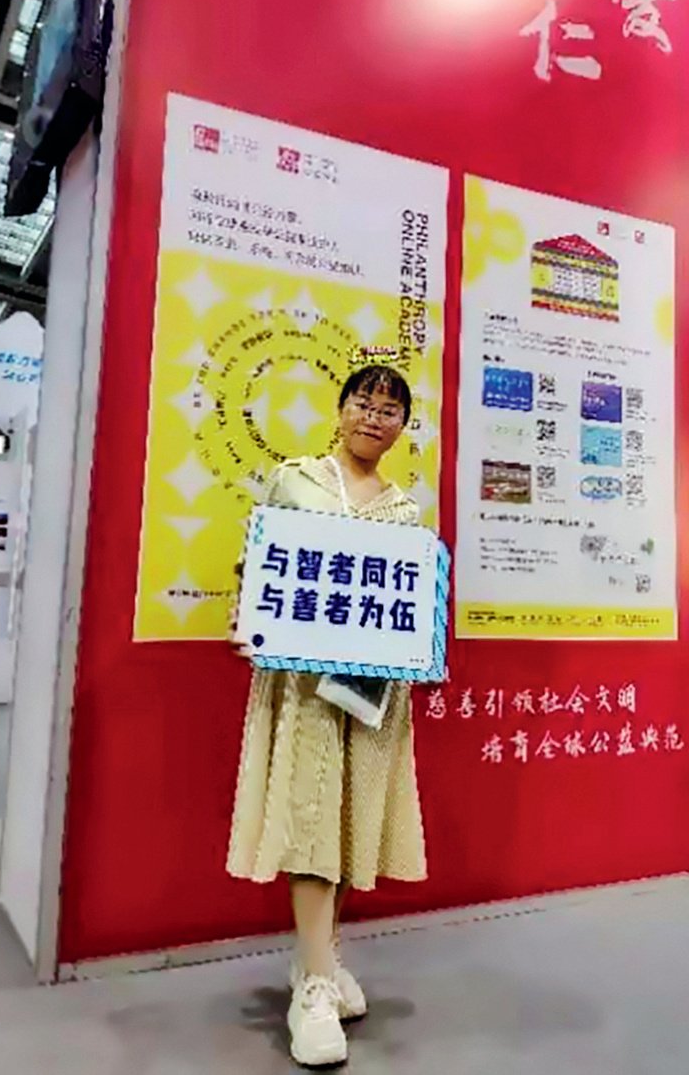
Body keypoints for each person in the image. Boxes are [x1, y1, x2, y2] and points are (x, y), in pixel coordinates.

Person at [228, 362, 427, 1068]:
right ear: (340, 408)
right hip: (306, 683)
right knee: (311, 815)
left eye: (390, 408)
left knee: (348, 820)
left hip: (372, 690)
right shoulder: (296, 479)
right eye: (364, 402)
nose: (375, 416)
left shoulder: (406, 508)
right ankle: (312, 985)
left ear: (404, 425)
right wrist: (247, 617)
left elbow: (412, 602)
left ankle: (321, 951)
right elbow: (256, 567)